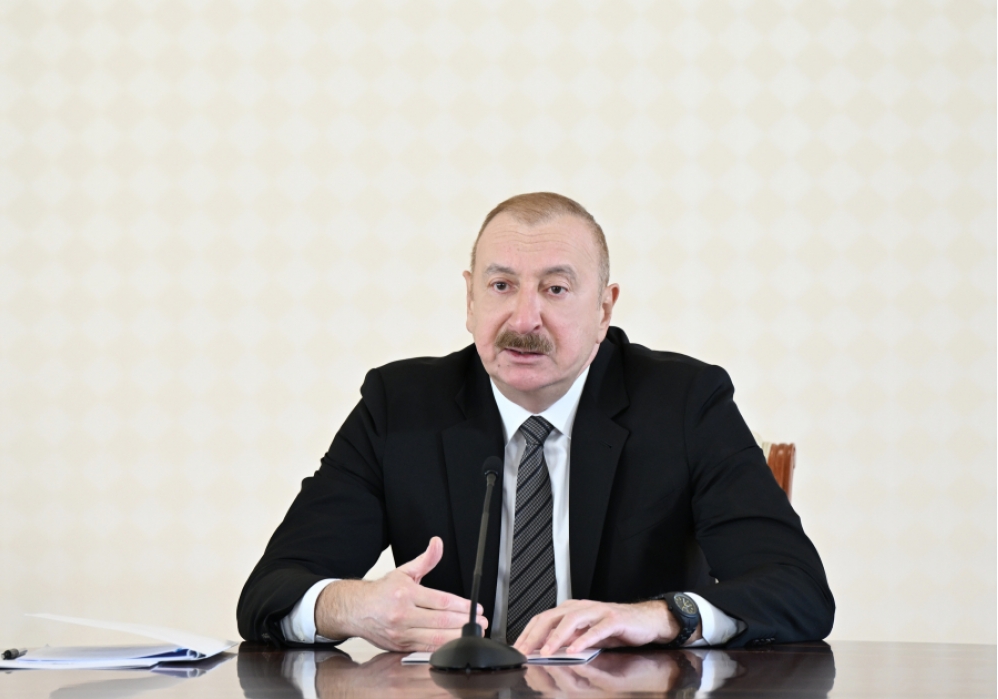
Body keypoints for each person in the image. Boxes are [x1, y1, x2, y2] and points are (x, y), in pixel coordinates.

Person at [237, 192, 834, 654]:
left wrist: (659, 616)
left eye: (556, 288)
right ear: (470, 300)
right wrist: (353, 608)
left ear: (604, 308)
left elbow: (797, 588)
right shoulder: (399, 406)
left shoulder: (684, 403)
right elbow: (270, 591)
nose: (524, 319)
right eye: (501, 286)